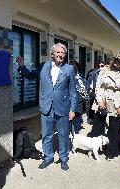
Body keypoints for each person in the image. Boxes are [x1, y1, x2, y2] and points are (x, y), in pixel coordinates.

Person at [16, 43, 77, 171]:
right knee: (47, 134)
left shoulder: (69, 69)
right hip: (46, 106)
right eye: (58, 52)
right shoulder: (44, 66)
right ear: (52, 54)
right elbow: (31, 75)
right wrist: (21, 66)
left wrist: (72, 109)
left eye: (63, 53)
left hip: (63, 107)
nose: (60, 55)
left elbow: (73, 92)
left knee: (63, 135)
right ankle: (48, 157)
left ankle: (63, 158)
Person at [93, 52, 120, 161]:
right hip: (103, 98)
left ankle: (112, 151)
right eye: (115, 59)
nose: (116, 62)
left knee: (114, 128)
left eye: (119, 61)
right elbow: (98, 87)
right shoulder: (104, 70)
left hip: (117, 100)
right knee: (98, 125)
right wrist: (99, 101)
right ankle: (96, 147)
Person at [69, 60, 89, 134]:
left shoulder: (78, 80)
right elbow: (85, 91)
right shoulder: (79, 80)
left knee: (72, 125)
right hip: (75, 106)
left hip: (75, 106)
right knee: (75, 126)